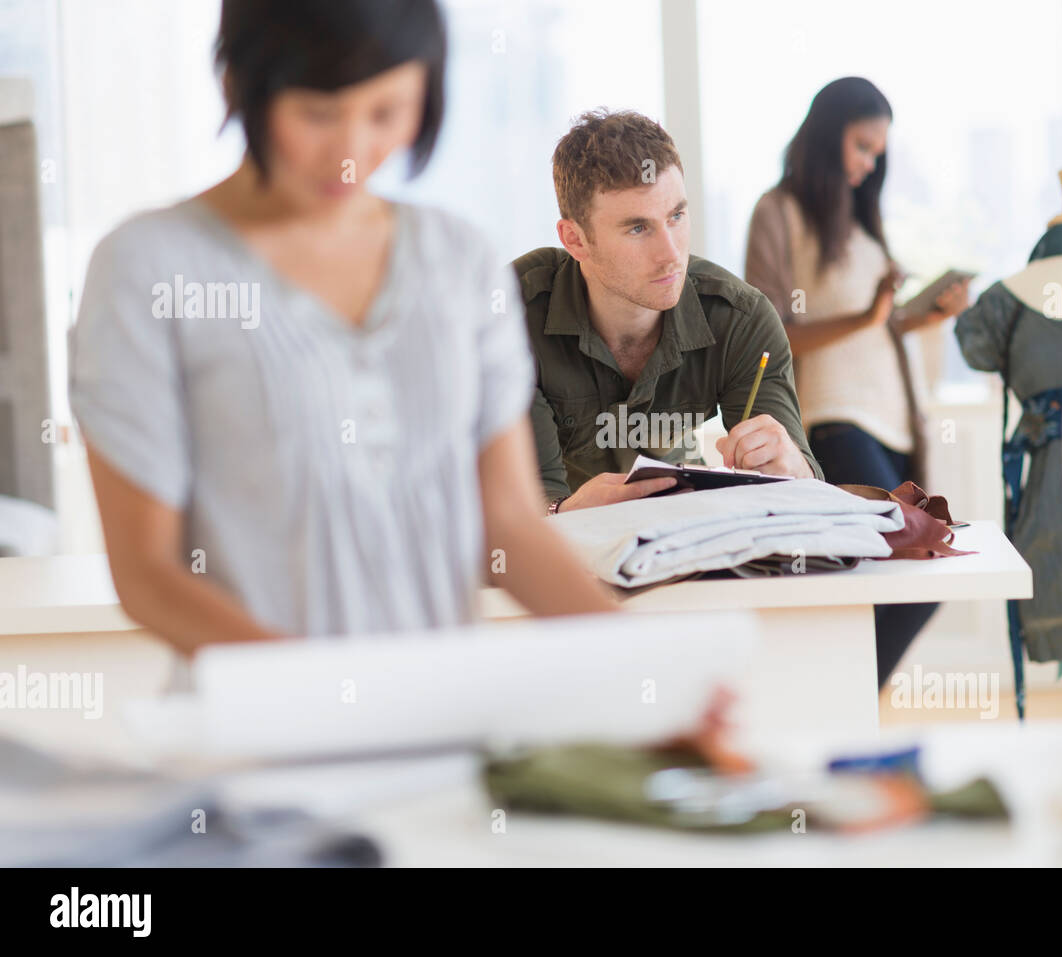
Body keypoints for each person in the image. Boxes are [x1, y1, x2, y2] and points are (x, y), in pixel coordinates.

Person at [68, 0, 617, 656]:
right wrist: (326, 696)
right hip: (259, 740)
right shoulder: (148, 267)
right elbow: (146, 573)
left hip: (447, 725)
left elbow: (509, 526)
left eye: (387, 112)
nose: (351, 151)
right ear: (240, 85)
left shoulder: (459, 261)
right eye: (317, 113)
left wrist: (651, 674)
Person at [744, 77, 970, 687]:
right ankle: (830, 700)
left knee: (910, 574)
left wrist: (919, 316)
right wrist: (866, 316)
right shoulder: (779, 212)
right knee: (914, 577)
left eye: (879, 154)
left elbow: (878, 330)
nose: (871, 164)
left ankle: (830, 703)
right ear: (827, 132)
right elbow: (770, 333)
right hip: (835, 420)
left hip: (894, 423)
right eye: (862, 146)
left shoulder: (864, 227)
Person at [515, 110, 822, 514]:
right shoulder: (513, 316)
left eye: (676, 216)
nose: (671, 255)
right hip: (562, 556)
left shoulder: (740, 319)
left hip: (680, 537)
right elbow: (521, 510)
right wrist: (565, 512)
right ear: (575, 239)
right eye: (638, 229)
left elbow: (805, 495)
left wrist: (795, 470)